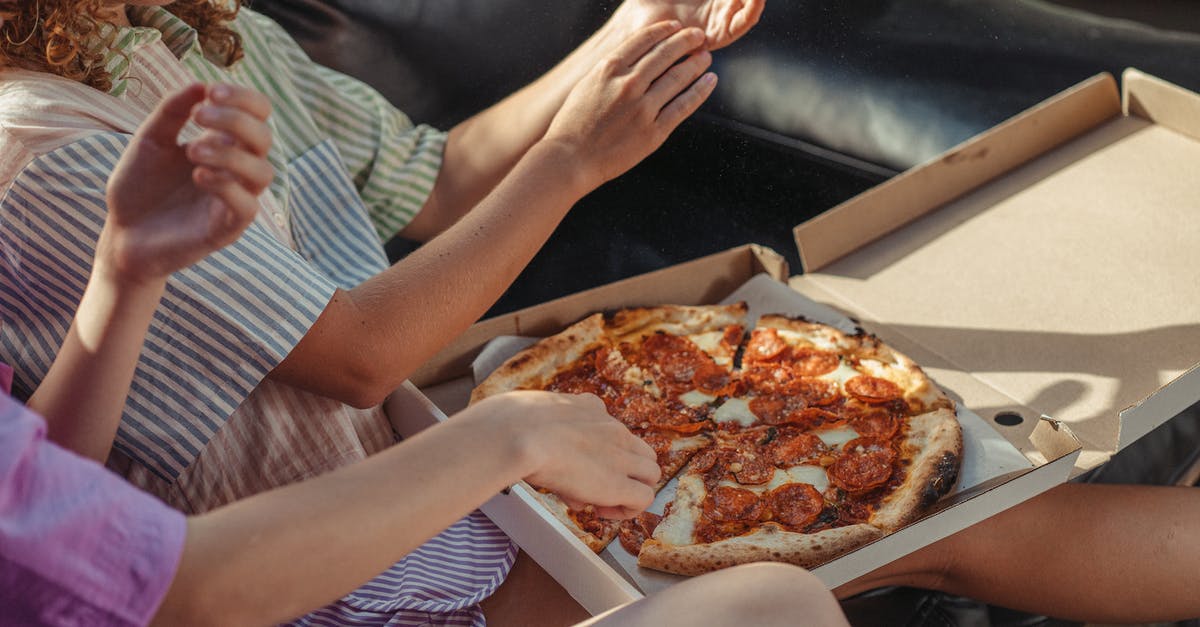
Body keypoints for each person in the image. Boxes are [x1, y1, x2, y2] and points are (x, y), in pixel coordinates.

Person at [0, 0, 768, 624]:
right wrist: (570, 161)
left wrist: (628, 33)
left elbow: (433, 180)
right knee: (772, 589)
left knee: (784, 553)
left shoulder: (198, 29)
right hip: (324, 556)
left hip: (421, 456)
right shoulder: (41, 141)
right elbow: (361, 358)